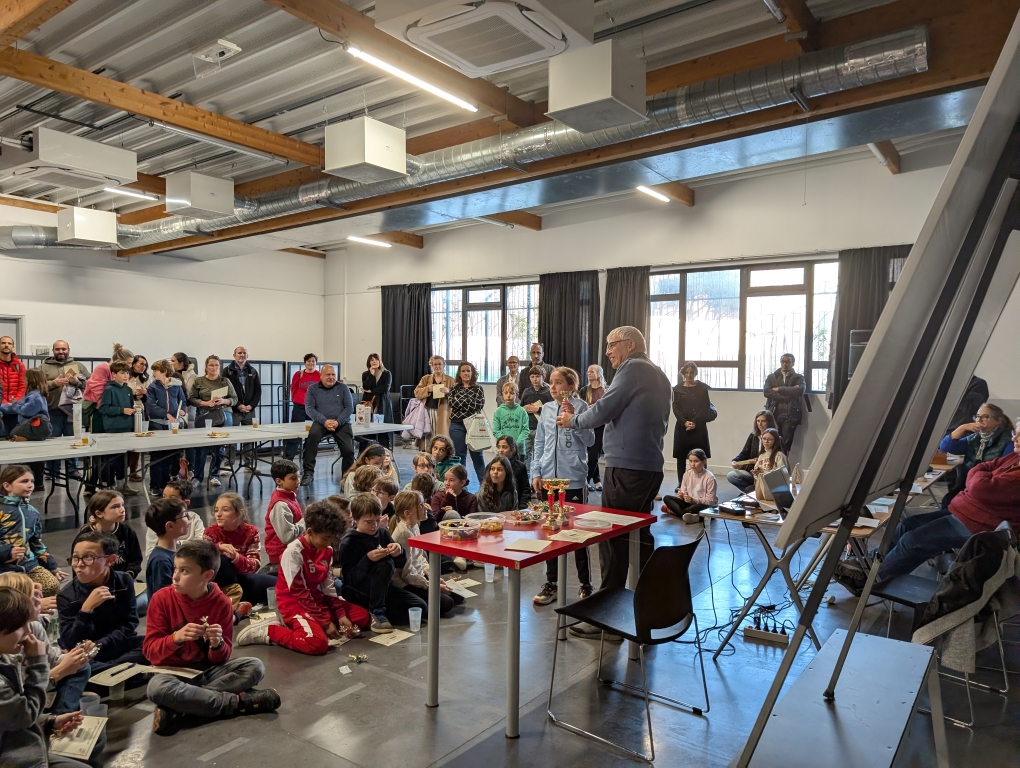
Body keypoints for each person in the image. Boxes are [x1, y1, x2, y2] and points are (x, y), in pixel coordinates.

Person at [557, 326, 671, 614]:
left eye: (611, 345)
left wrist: (573, 421)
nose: (607, 352)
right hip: (649, 466)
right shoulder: (659, 374)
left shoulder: (633, 369)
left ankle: (608, 614)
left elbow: (605, 408)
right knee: (638, 538)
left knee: (614, 538)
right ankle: (646, 605)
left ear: (630, 344)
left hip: (627, 468)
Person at [838, 429, 1020, 589]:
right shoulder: (1015, 457)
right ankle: (867, 564)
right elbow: (983, 468)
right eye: (1015, 434)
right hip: (965, 513)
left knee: (913, 541)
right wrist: (981, 475)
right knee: (907, 525)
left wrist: (979, 476)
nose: (1014, 439)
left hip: (983, 527)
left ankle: (868, 580)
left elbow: (980, 486)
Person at [144, 539, 279, 736]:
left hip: (207, 671)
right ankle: (236, 703)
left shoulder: (221, 602)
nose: (175, 576)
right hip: (172, 672)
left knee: (255, 666)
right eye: (175, 569)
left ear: (207, 575)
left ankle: (181, 707)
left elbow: (221, 658)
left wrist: (217, 644)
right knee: (157, 688)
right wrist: (176, 638)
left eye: (184, 571)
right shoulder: (162, 599)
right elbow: (150, 652)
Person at [238, 501, 370, 652]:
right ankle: (270, 630)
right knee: (317, 643)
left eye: (332, 539)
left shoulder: (326, 550)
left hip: (316, 600)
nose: (329, 543)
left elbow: (328, 587)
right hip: (294, 604)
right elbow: (299, 593)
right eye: (325, 538)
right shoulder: (293, 552)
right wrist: (325, 622)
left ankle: (311, 624)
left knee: (362, 617)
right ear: (310, 532)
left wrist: (340, 614)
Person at [0, 587, 99, 768]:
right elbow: (24, 715)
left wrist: (49, 721)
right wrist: (38, 662)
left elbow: (11, 715)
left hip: (25, 746)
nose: (28, 632)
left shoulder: (5, 656)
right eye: (20, 626)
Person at [532, 366, 595, 605]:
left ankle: (585, 584)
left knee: (577, 533)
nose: (553, 387)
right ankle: (552, 583)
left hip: (573, 479)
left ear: (571, 386)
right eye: (551, 382)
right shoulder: (547, 409)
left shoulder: (582, 407)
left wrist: (574, 422)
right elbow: (539, 443)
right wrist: (536, 471)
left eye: (558, 382)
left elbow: (590, 440)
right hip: (549, 479)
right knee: (551, 531)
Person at [0, 573, 91, 716]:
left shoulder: (34, 627)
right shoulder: (8, 648)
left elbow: (53, 659)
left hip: (36, 692)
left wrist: (77, 655)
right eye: (32, 596)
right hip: (27, 703)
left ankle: (56, 717)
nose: (39, 601)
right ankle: (55, 715)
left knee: (82, 665)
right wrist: (57, 673)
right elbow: (21, 695)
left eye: (38, 595)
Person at [57, 531, 145, 673]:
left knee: (150, 644)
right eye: (75, 558)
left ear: (110, 560)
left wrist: (101, 644)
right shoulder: (67, 596)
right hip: (88, 654)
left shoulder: (123, 581)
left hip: (114, 644)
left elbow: (130, 624)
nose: (79, 564)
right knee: (77, 664)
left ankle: (113, 671)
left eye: (88, 557)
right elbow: (70, 643)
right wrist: (86, 610)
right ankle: (124, 672)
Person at [337, 493, 408, 633]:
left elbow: (400, 563)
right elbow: (349, 580)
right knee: (385, 563)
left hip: (382, 588)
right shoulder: (349, 542)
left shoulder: (382, 533)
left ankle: (379, 608)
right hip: (359, 591)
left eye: (377, 520)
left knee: (420, 607)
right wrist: (368, 559)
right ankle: (376, 612)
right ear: (356, 519)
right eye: (369, 522)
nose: (374, 526)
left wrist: (399, 550)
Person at [389, 490, 464, 620]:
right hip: (406, 583)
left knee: (458, 597)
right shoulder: (403, 533)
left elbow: (420, 557)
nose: (426, 507)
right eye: (421, 505)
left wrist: (433, 577)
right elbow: (407, 574)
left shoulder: (415, 526)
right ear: (407, 513)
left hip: (417, 576)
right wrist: (431, 585)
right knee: (447, 603)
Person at [0, 465, 65, 596]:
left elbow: (36, 543)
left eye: (32, 481)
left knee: (51, 586)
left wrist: (52, 566)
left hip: (29, 565)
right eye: (24, 481)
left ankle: (36, 608)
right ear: (7, 486)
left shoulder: (32, 512)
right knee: (14, 595)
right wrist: (7, 552)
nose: (30, 485)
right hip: (4, 568)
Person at [203, 493, 275, 606]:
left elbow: (254, 566)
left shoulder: (251, 531)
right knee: (224, 560)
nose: (218, 514)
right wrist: (218, 548)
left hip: (243, 577)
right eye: (216, 510)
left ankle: (240, 598)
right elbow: (203, 562)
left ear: (239, 513)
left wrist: (236, 558)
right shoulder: (210, 532)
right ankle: (233, 599)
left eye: (225, 510)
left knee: (276, 584)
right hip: (220, 582)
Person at [938, 403, 1013, 505]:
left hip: (988, 488)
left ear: (998, 421)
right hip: (969, 483)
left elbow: (1004, 472)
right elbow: (946, 448)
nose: (979, 420)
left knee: (951, 502)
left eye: (985, 417)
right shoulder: (975, 438)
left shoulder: (1008, 441)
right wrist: (962, 428)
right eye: (977, 416)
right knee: (947, 500)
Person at [39, 340, 88, 478]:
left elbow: (90, 384)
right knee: (52, 441)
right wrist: (54, 383)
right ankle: (52, 471)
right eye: (58, 349)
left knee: (73, 440)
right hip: (52, 410)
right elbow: (36, 386)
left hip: (73, 411)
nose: (61, 351)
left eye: (63, 349)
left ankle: (73, 469)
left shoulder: (79, 366)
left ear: (68, 350)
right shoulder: (43, 367)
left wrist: (77, 382)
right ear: (53, 351)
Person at [188, 356, 238, 487]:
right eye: (211, 365)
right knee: (201, 448)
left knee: (219, 448)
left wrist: (223, 400)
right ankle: (198, 477)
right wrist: (205, 403)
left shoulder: (225, 381)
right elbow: (191, 399)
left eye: (216, 365)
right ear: (206, 367)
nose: (214, 367)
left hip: (223, 414)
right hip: (204, 415)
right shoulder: (199, 381)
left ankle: (214, 475)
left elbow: (234, 399)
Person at [301, 364, 355, 487]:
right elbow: (309, 409)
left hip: (341, 423)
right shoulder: (312, 389)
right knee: (311, 440)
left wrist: (338, 421)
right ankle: (308, 472)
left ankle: (346, 478)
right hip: (321, 422)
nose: (331, 377)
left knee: (349, 450)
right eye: (328, 375)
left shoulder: (343, 388)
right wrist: (324, 421)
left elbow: (349, 408)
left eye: (333, 374)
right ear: (321, 376)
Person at [73, 491, 143, 582]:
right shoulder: (84, 538)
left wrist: (128, 576)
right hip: (94, 582)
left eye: (122, 505)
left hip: (123, 579)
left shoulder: (127, 531)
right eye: (115, 507)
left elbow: (135, 560)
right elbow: (78, 567)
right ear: (99, 513)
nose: (122, 510)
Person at [145, 360, 188, 494]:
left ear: (163, 372)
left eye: (155, 371)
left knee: (172, 454)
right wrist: (166, 414)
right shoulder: (152, 387)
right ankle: (155, 485)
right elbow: (151, 406)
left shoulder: (177, 386)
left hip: (172, 425)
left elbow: (183, 401)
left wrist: (183, 410)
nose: (153, 373)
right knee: (157, 455)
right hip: (157, 423)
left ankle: (167, 484)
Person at [671, 362, 716, 485]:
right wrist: (685, 422)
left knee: (701, 455)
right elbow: (675, 407)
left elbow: (705, 406)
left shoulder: (702, 388)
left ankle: (704, 482)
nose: (689, 375)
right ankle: (681, 483)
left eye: (691, 372)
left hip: (699, 426)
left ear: (695, 373)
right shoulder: (677, 388)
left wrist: (695, 421)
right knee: (681, 456)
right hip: (683, 426)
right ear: (683, 373)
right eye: (687, 372)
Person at [262, 459, 304, 575]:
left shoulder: (287, 495)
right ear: (279, 481)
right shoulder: (280, 505)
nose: (298, 481)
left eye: (298, 477)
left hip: (290, 552)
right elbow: (287, 537)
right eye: (293, 478)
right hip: (282, 556)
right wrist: (305, 520)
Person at [144, 480, 204, 559]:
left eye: (172, 499)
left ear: (185, 503)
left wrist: (177, 544)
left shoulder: (194, 518)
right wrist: (188, 544)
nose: (165, 502)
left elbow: (202, 545)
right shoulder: (157, 520)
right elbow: (150, 553)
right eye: (164, 497)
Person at [447, 362, 487, 484]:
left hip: (474, 425)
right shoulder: (454, 388)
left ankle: (485, 486)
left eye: (468, 371)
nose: (466, 373)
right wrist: (468, 401)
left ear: (472, 372)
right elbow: (452, 404)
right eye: (463, 371)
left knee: (477, 456)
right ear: (459, 373)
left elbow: (478, 405)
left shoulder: (478, 388)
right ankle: (461, 485)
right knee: (460, 456)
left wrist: (459, 401)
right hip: (457, 425)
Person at [144, 497, 190, 600]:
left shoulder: (176, 549)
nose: (189, 518)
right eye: (185, 515)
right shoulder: (161, 560)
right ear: (170, 526)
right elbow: (164, 598)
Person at [763, 354, 806, 457]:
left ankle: (783, 464)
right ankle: (771, 464)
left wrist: (779, 389)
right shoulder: (772, 377)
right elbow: (767, 392)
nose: (785, 364)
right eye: (783, 362)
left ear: (793, 363)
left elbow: (800, 390)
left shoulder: (798, 377)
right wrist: (786, 397)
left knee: (785, 444)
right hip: (774, 413)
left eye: (788, 362)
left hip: (790, 415)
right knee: (771, 441)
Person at [727, 410, 780, 494]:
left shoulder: (777, 438)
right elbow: (744, 453)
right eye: (758, 421)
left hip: (767, 472)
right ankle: (753, 491)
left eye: (763, 421)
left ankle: (752, 491)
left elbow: (779, 457)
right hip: (753, 471)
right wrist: (735, 461)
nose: (760, 424)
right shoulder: (753, 436)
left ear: (769, 422)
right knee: (731, 475)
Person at [662, 449, 718, 519]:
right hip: (690, 504)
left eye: (696, 461)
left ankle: (676, 512)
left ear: (704, 461)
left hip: (703, 505)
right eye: (690, 461)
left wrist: (693, 500)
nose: (692, 464)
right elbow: (684, 491)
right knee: (667, 498)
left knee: (695, 508)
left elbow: (710, 501)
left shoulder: (710, 478)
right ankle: (688, 515)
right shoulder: (687, 474)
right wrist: (682, 495)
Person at [284, 353, 320, 461]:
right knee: (295, 433)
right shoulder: (299, 374)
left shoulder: (319, 375)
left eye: (313, 361)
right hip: (299, 407)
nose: (311, 363)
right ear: (305, 363)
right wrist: (296, 399)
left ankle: (307, 459)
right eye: (309, 361)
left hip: (313, 408)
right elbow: (293, 388)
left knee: (312, 434)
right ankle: (288, 459)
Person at [414, 356, 456, 441]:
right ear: (432, 366)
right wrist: (427, 389)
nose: (437, 366)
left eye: (439, 364)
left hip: (443, 413)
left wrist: (448, 392)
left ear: (444, 365)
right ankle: (428, 449)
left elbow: (457, 397)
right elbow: (416, 393)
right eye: (435, 364)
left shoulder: (451, 380)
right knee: (427, 436)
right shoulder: (425, 379)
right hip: (427, 411)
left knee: (441, 436)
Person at [580, 364, 607, 492]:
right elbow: (580, 406)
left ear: (599, 374)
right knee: (591, 455)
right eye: (588, 372)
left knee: (594, 456)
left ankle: (586, 481)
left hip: (601, 426)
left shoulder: (606, 390)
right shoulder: (584, 390)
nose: (589, 373)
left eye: (592, 371)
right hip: (587, 425)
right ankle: (597, 480)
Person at [1, 369, 50, 441]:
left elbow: (26, 411)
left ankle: (28, 437)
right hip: (38, 426)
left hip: (35, 426)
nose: (23, 380)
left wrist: (15, 404)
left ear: (30, 380)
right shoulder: (38, 395)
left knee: (12, 433)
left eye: (25, 378)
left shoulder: (34, 397)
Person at [361, 353, 394, 449]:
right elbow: (365, 386)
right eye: (372, 360)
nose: (374, 361)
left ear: (380, 361)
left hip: (382, 403)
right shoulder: (365, 374)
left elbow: (385, 388)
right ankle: (364, 452)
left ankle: (384, 451)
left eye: (376, 359)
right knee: (367, 428)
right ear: (369, 362)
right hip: (368, 403)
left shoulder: (386, 373)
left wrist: (371, 390)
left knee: (382, 428)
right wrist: (371, 375)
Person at [223, 346, 261, 427]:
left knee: (251, 433)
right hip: (234, 411)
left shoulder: (253, 371)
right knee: (233, 433)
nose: (242, 355)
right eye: (239, 353)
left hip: (249, 411)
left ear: (247, 356)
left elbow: (258, 391)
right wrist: (238, 405)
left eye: (244, 353)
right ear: (234, 355)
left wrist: (251, 405)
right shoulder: (227, 371)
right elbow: (225, 391)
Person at [521, 366, 554, 458]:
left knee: (539, 454)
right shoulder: (527, 391)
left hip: (542, 428)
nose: (535, 379)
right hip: (528, 427)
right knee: (524, 454)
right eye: (532, 377)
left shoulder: (549, 392)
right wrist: (524, 408)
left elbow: (553, 409)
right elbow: (521, 407)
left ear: (544, 377)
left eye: (537, 376)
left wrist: (538, 409)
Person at [492, 382, 530, 454]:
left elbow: (525, 430)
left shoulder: (522, 411)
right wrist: (505, 444)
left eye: (512, 393)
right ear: (502, 394)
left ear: (517, 395)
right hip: (502, 450)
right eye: (506, 393)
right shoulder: (498, 411)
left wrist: (515, 444)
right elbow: (496, 430)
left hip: (519, 450)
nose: (508, 395)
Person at [0, 335, 26, 435]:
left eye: (9, 343)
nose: (6, 345)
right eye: (3, 343)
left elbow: (23, 385)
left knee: (13, 436)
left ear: (13, 347)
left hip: (14, 409)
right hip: (0, 408)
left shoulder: (19, 365)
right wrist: (3, 403)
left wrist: (16, 401)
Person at [752, 428, 787, 501]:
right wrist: (756, 473)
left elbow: (782, 475)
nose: (766, 441)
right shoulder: (761, 456)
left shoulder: (779, 455)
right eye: (764, 439)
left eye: (770, 439)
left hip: (776, 489)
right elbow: (757, 477)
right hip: (762, 487)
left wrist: (764, 472)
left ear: (775, 441)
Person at [497, 435, 532, 506]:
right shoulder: (492, 466)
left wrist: (522, 508)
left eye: (504, 447)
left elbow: (525, 490)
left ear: (513, 450)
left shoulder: (520, 467)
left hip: (516, 506)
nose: (500, 450)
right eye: (499, 447)